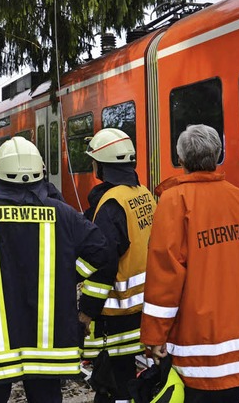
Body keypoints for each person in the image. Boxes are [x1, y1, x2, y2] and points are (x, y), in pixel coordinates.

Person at [0, 136, 117, 403]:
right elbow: (102, 251)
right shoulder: (63, 214)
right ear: (40, 173)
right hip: (50, 348)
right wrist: (68, 274)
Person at [140, 124, 239, 403]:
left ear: (181, 159)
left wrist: (154, 334)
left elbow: (166, 275)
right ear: (217, 155)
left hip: (196, 343)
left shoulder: (174, 201)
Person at [82, 128, 155, 403]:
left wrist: (86, 310)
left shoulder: (111, 204)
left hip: (118, 312)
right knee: (128, 379)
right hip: (146, 305)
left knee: (115, 382)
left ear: (102, 166)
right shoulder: (143, 194)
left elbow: (103, 264)